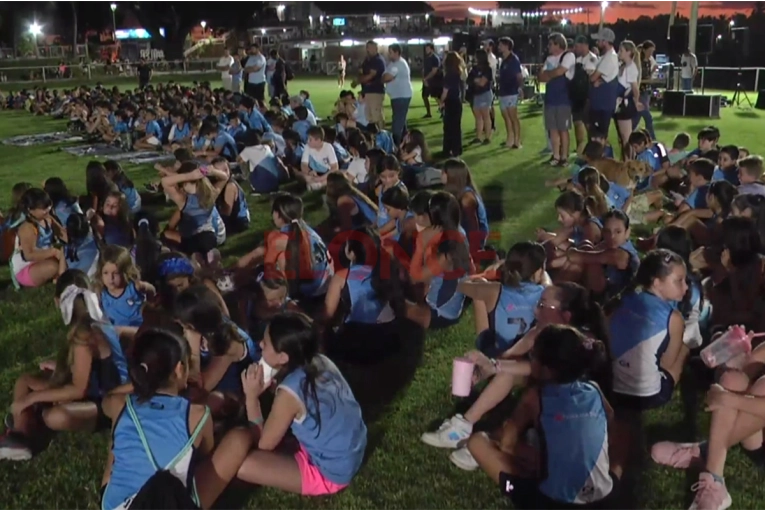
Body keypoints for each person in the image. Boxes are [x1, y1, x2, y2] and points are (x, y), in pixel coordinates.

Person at [465, 325, 619, 509]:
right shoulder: (594, 390)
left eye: (532, 356)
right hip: (605, 500)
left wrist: (530, 455)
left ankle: (529, 482)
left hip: (551, 503)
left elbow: (507, 444)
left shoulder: (536, 397)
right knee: (622, 432)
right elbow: (610, 419)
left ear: (546, 369)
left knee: (477, 442)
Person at [99, 328, 253, 510]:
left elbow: (106, 401)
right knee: (239, 438)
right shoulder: (198, 414)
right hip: (171, 504)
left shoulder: (119, 403)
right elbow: (204, 455)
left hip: (117, 506)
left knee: (120, 434)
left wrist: (141, 383)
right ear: (179, 369)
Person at [236, 312, 368, 496]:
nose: (260, 345)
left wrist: (251, 397)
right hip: (353, 449)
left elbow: (264, 445)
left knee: (243, 464)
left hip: (333, 471)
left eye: (265, 344)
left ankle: (317, 478)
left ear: (283, 357)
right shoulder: (320, 360)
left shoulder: (289, 394)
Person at [538, 33, 576, 167]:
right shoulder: (548, 58)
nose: (548, 47)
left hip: (563, 100)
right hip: (550, 99)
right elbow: (541, 78)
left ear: (558, 44)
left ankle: (564, 157)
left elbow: (560, 72)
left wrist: (549, 74)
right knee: (552, 130)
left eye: (550, 44)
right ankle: (555, 156)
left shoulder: (568, 56)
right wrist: (551, 74)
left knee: (563, 130)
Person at [588, 28, 620, 142]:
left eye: (599, 40)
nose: (597, 43)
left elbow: (593, 78)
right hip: (601, 103)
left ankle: (599, 158)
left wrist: (591, 77)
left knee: (598, 137)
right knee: (598, 135)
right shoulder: (608, 56)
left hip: (602, 104)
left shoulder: (609, 57)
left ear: (605, 41)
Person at [614, 41, 642, 160]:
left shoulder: (631, 68)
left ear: (629, 52)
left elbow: (635, 89)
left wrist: (636, 101)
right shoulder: (623, 66)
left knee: (627, 138)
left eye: (621, 51)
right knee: (622, 138)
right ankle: (625, 161)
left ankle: (629, 162)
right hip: (620, 104)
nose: (619, 53)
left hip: (625, 105)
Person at [382, 43, 413, 147]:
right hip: (397, 96)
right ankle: (406, 143)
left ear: (397, 52)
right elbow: (385, 76)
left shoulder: (399, 64)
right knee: (401, 121)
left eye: (390, 52)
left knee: (397, 122)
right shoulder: (392, 64)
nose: (388, 54)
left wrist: (385, 77)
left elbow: (386, 77)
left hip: (401, 96)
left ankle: (395, 145)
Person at [572, 35, 599, 155]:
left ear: (584, 45)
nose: (575, 48)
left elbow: (591, 77)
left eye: (577, 46)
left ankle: (591, 150)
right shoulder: (577, 60)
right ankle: (580, 151)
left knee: (588, 125)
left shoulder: (592, 59)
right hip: (577, 97)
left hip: (588, 97)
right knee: (577, 123)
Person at [352, 41, 386, 130]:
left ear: (376, 48)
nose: (368, 50)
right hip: (367, 92)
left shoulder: (378, 60)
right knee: (369, 118)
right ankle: (373, 137)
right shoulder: (367, 60)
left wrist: (357, 81)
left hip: (375, 91)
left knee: (377, 116)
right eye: (367, 48)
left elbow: (371, 75)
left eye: (370, 48)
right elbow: (360, 71)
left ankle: (382, 136)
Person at [496, 37, 523, 149]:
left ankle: (517, 141)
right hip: (503, 91)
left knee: (513, 116)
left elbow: (519, 76)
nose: (499, 47)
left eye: (501, 45)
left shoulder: (514, 59)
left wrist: (520, 88)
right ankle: (510, 138)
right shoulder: (503, 60)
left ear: (507, 46)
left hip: (511, 91)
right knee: (506, 116)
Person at [440, 51, 465, 157]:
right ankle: (456, 149)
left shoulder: (449, 75)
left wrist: (441, 101)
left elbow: (445, 91)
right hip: (457, 101)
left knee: (448, 127)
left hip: (450, 102)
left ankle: (447, 149)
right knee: (456, 127)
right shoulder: (458, 72)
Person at [467, 49, 494, 146]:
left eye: (476, 56)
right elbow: (469, 80)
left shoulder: (487, 69)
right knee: (478, 116)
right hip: (476, 94)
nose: (474, 58)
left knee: (486, 116)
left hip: (485, 94)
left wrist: (476, 80)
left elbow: (483, 83)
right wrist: (476, 80)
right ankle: (478, 137)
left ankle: (488, 137)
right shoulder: (474, 68)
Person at [633, 40, 657, 139]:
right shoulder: (639, 62)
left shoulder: (648, 61)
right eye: (649, 51)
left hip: (646, 91)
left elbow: (647, 76)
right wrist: (648, 81)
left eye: (652, 51)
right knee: (648, 117)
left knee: (637, 117)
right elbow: (637, 79)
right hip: (640, 91)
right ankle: (652, 138)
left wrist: (652, 72)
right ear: (644, 50)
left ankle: (629, 133)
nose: (651, 54)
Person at [421, 43, 442, 119]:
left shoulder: (435, 58)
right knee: (424, 96)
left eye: (428, 49)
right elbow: (424, 69)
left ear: (432, 49)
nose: (426, 50)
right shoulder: (426, 58)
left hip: (434, 81)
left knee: (436, 97)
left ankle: (443, 111)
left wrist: (426, 79)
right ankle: (428, 113)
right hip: (426, 80)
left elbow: (434, 71)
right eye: (426, 49)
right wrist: (424, 78)